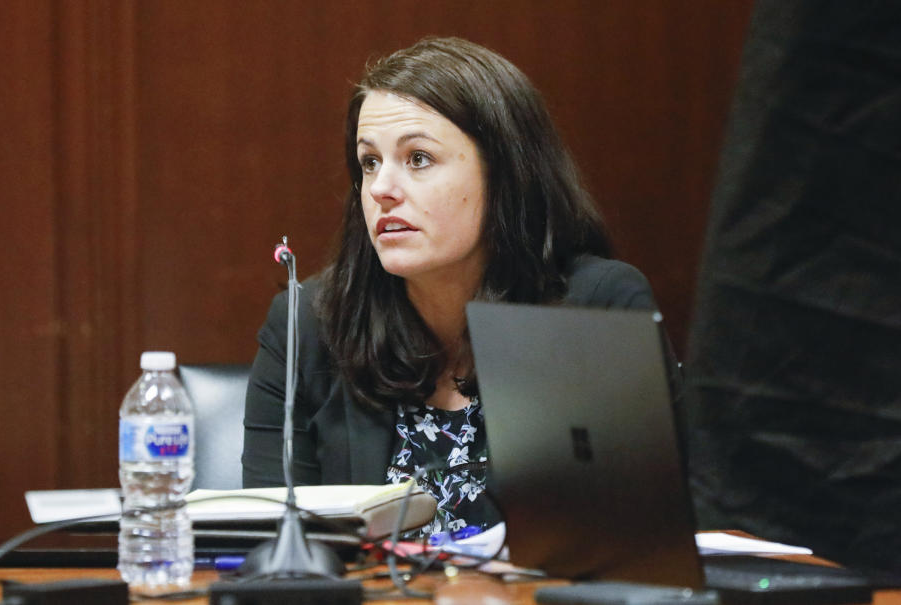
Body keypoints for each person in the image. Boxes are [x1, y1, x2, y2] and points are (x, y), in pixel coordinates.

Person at [243, 37, 667, 542]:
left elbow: (632, 545)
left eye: (418, 158)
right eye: (369, 162)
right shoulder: (307, 324)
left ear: (504, 173)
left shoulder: (596, 308)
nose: (380, 189)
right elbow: (272, 546)